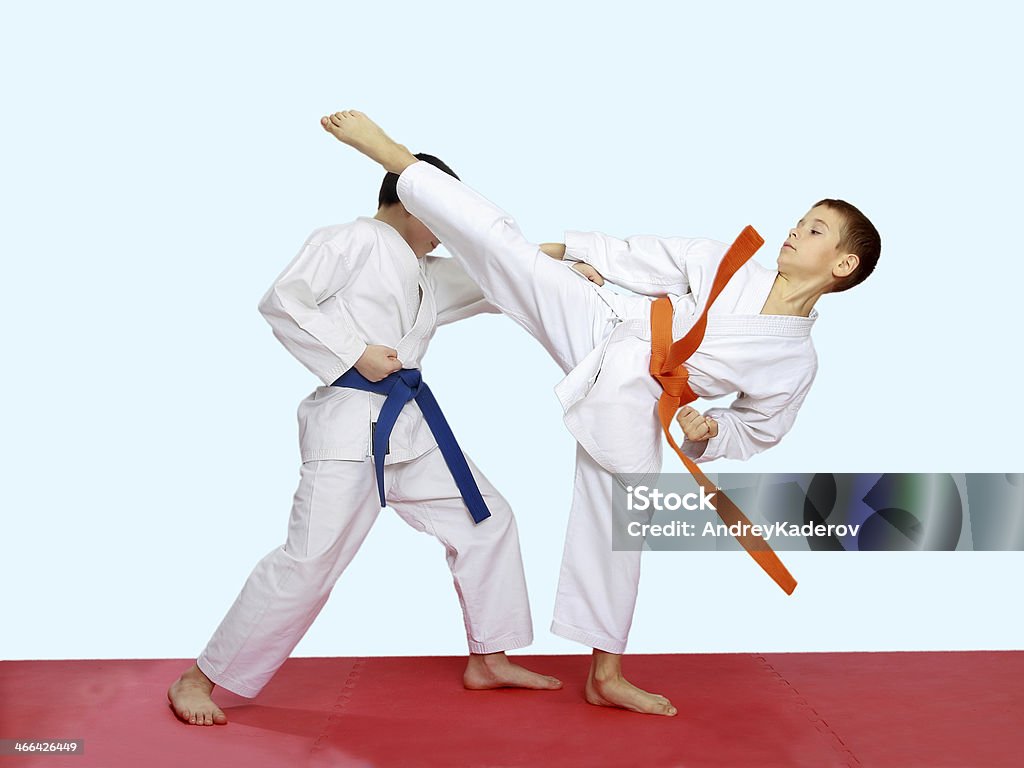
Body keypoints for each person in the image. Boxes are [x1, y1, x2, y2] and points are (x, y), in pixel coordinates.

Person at [320, 109, 881, 717]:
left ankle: (605, 674)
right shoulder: (728, 261)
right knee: (509, 253)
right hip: (604, 322)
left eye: (816, 230)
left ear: (842, 265)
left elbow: (759, 428)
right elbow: (633, 256)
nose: (795, 231)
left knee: (619, 525)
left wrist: (710, 428)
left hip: (637, 400)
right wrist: (551, 258)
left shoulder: (793, 360)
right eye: (801, 221)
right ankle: (400, 162)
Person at [167, 152, 561, 727]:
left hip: (412, 434)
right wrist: (355, 353)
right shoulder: (352, 240)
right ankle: (197, 679)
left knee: (488, 519)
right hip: (351, 427)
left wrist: (568, 263)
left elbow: (496, 271)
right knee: (310, 562)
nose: (449, 231)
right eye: (441, 215)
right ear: (410, 202)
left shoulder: (424, 270)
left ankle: (489, 658)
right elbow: (283, 300)